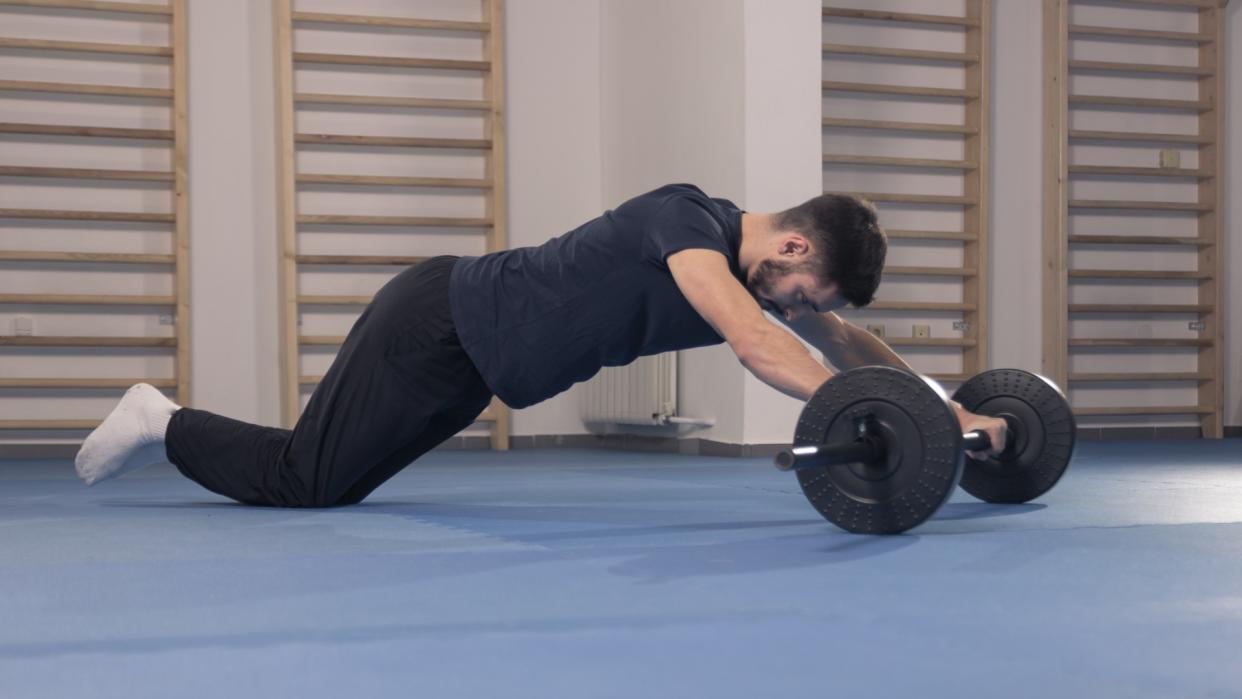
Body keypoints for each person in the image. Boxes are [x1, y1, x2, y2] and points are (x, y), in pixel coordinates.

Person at [74, 183, 1006, 506]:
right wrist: (878, 414)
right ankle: (164, 419)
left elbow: (848, 344)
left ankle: (174, 425)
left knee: (325, 480)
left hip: (473, 361)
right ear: (794, 247)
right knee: (306, 480)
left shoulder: (774, 280)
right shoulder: (688, 222)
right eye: (808, 288)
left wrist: (946, 410)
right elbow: (756, 341)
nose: (806, 306)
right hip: (436, 319)